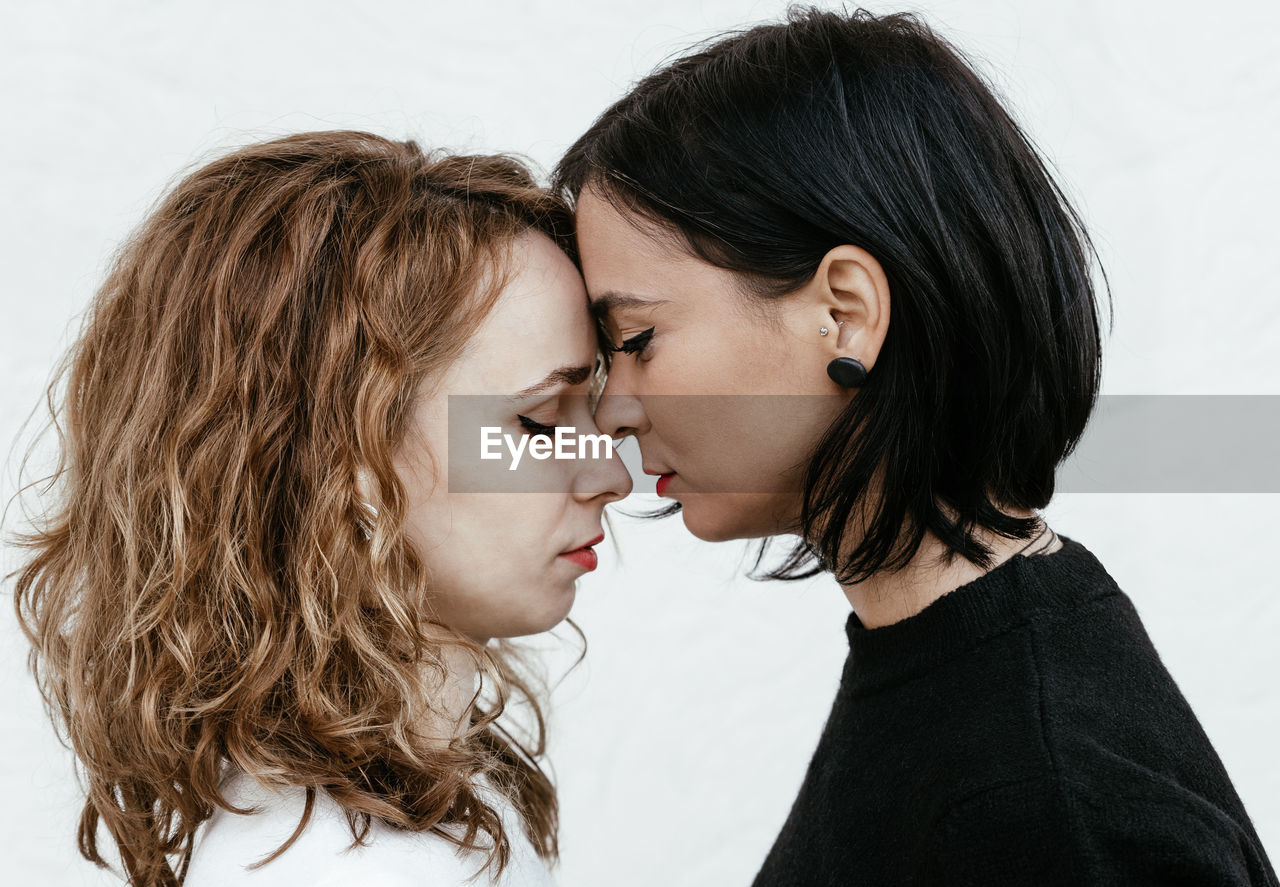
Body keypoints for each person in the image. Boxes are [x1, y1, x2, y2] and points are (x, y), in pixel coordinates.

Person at [554, 7, 1278, 885]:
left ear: (845, 313)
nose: (612, 412)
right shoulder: (940, 660)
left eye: (634, 340)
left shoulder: (1050, 805)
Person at [11, 130, 630, 887]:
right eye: (539, 421)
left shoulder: (403, 824)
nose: (610, 473)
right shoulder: (350, 866)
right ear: (340, 458)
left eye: (593, 404)